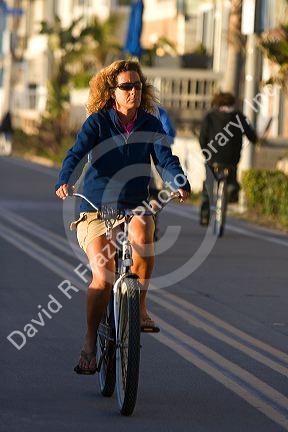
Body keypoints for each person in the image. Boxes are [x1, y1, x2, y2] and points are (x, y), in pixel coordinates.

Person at [55, 60, 190, 374]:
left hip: (133, 203)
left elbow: (166, 160)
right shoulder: (98, 123)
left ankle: (140, 308)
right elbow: (76, 153)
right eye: (126, 87)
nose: (134, 92)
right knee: (103, 278)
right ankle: (90, 341)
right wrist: (65, 178)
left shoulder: (150, 124)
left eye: (138, 86)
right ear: (112, 92)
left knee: (144, 230)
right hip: (95, 206)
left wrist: (178, 181)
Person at [199, 91, 257, 225]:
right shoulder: (239, 117)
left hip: (213, 157)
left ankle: (204, 213)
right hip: (231, 158)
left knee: (208, 183)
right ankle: (231, 188)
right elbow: (251, 135)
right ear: (232, 103)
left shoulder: (210, 116)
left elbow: (202, 138)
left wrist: (206, 152)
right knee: (232, 173)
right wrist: (257, 140)